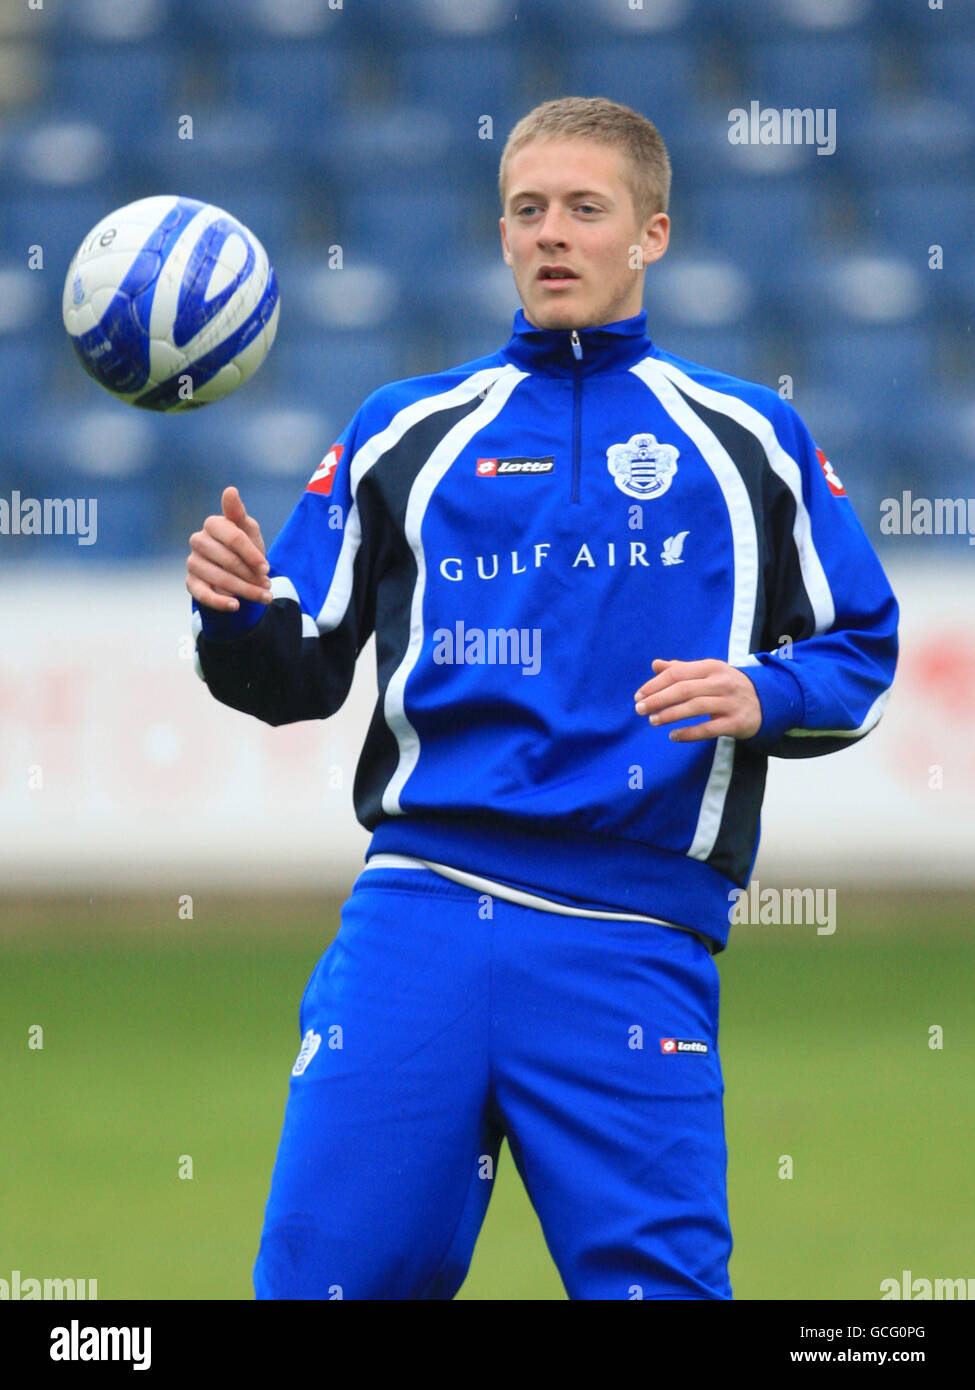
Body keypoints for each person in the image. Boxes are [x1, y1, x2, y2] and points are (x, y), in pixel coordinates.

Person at [185, 96, 898, 1300]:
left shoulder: (748, 437)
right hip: (417, 915)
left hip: (632, 941)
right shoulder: (405, 429)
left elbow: (860, 661)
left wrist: (763, 692)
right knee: (321, 1285)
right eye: (527, 210)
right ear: (501, 232)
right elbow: (293, 674)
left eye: (584, 208)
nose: (551, 233)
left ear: (651, 235)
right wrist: (238, 614)